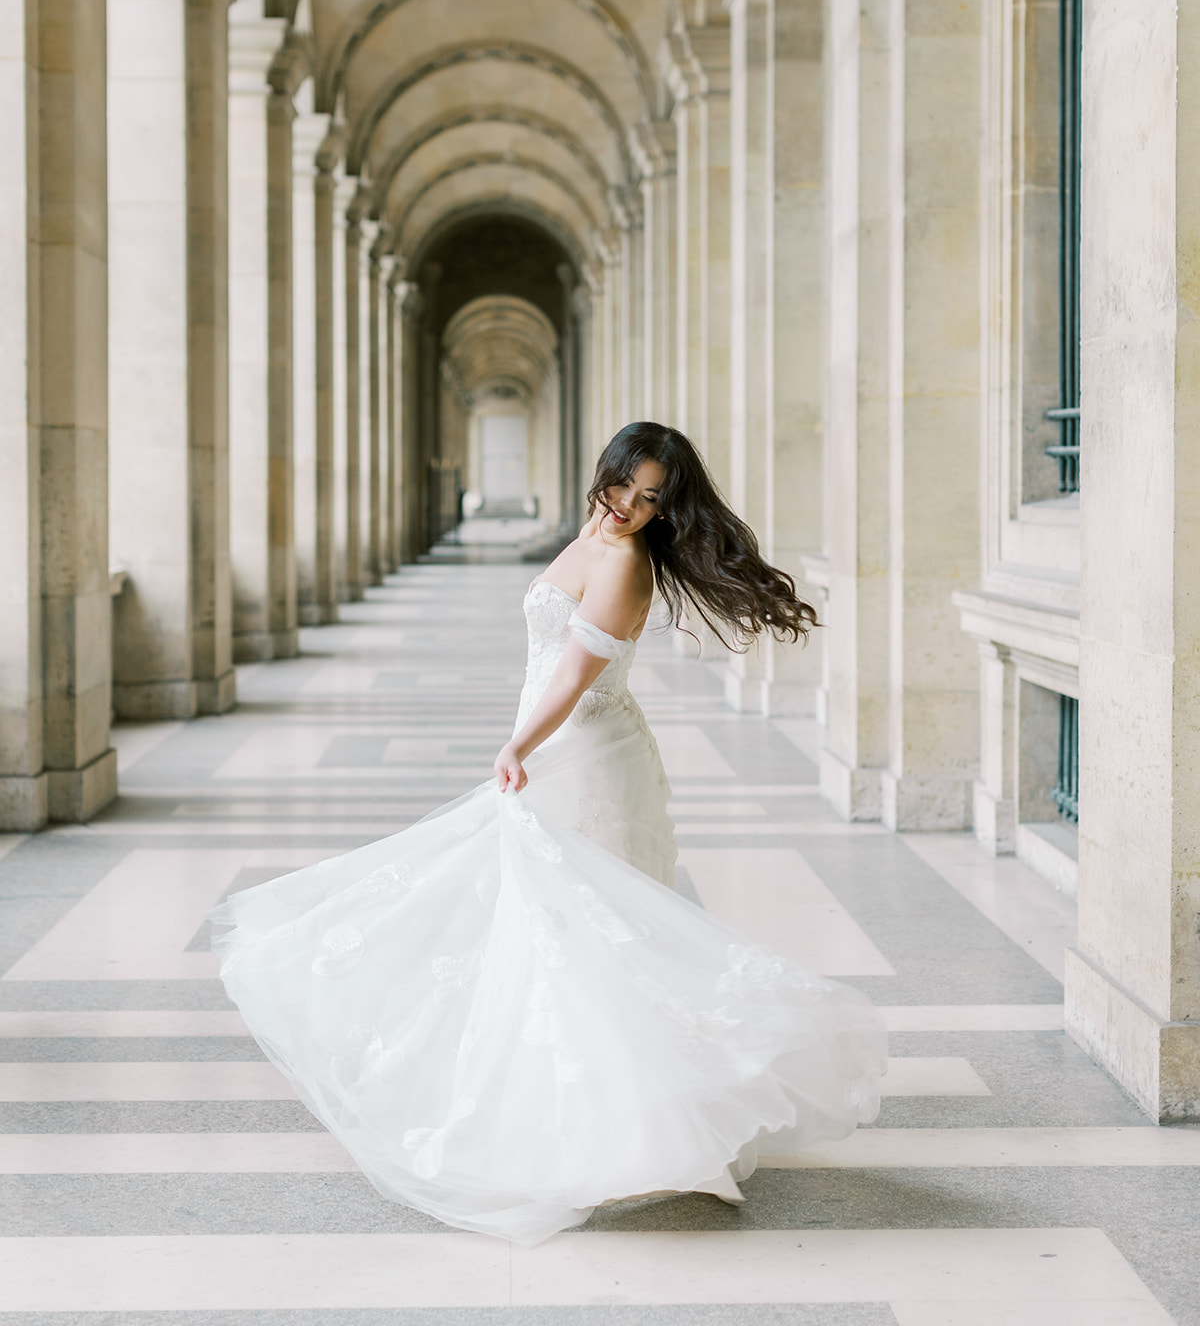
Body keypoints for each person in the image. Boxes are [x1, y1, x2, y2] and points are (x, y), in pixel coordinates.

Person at [210, 422, 887, 1246]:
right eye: (624, 488)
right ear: (602, 475)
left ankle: (626, 1129)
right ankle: (579, 1114)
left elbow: (573, 673)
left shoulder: (627, 561)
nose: (633, 508)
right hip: (555, 748)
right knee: (550, 931)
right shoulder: (592, 536)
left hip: (588, 758)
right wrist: (525, 741)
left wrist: (517, 745)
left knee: (585, 932)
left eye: (651, 499)